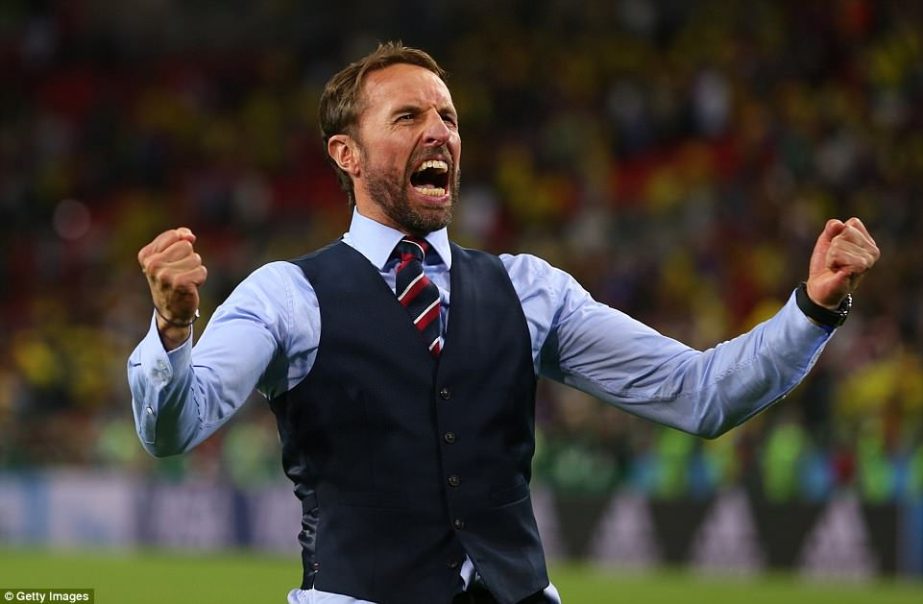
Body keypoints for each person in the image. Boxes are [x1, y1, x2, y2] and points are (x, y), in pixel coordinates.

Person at [128, 42, 880, 604]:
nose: (439, 131)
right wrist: (170, 332)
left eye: (448, 116)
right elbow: (174, 429)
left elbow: (702, 392)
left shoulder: (528, 291)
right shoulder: (287, 295)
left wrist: (812, 308)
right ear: (346, 154)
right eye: (409, 116)